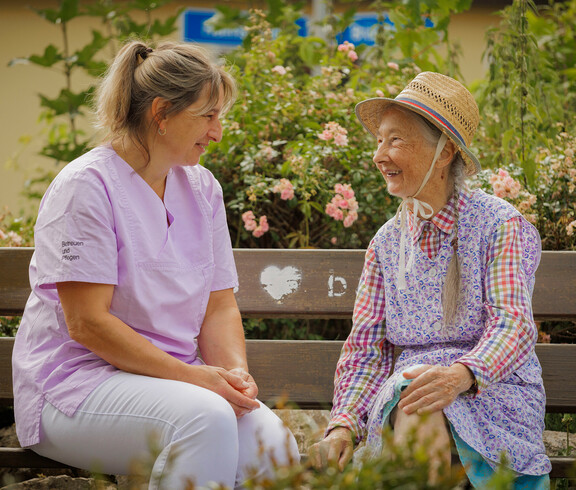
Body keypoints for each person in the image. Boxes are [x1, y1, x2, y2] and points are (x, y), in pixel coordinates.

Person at [12, 40, 299, 489]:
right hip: (73, 389)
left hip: (177, 386)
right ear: (162, 113)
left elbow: (218, 306)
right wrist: (195, 379)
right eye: (208, 116)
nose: (218, 131)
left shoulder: (203, 189)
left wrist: (235, 377)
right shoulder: (84, 187)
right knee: (203, 420)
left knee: (273, 442)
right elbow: (87, 323)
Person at [309, 72, 551, 488]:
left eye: (396, 140)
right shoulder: (386, 243)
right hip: (413, 394)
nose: (379, 155)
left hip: (490, 389)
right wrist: (343, 424)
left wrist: (460, 374)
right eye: (379, 140)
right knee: (417, 398)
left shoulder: (499, 224)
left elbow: (512, 326)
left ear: (445, 152)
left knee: (418, 399)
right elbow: (367, 348)